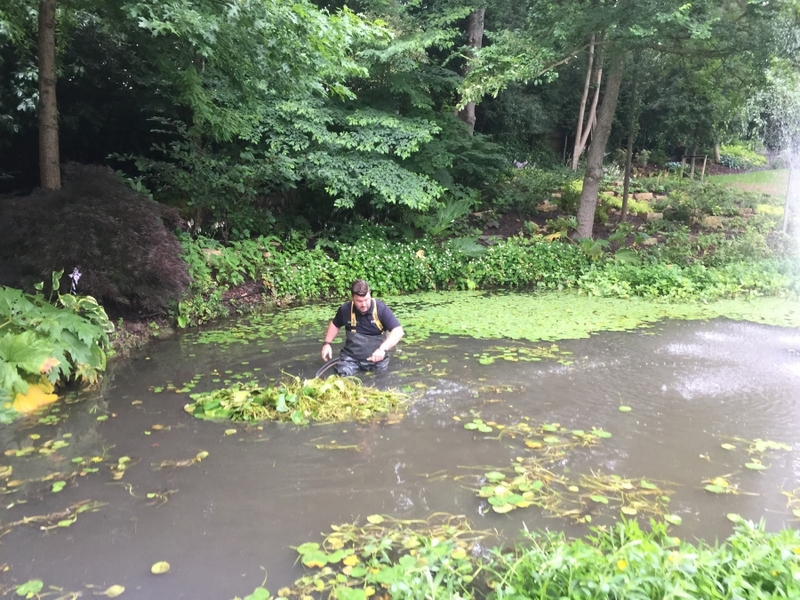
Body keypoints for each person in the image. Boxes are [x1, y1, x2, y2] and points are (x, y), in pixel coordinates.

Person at [321, 279, 404, 376]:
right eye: (359, 301)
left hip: (377, 360)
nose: (364, 304)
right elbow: (335, 324)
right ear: (353, 298)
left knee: (380, 382)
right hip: (350, 359)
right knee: (341, 378)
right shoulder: (345, 310)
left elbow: (398, 331)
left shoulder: (380, 309)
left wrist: (382, 349)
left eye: (366, 300)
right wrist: (327, 343)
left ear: (370, 294)